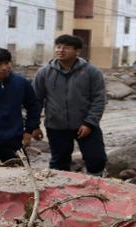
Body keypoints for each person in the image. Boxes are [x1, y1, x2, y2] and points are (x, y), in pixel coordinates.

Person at [32, 35, 107, 175]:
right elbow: (35, 101)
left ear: (77, 51)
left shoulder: (91, 72)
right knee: (59, 163)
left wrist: (90, 123)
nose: (60, 50)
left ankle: (95, 185)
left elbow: (99, 99)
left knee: (96, 160)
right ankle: (60, 187)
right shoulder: (44, 73)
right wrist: (34, 125)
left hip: (86, 125)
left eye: (66, 48)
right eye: (58, 47)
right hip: (56, 126)